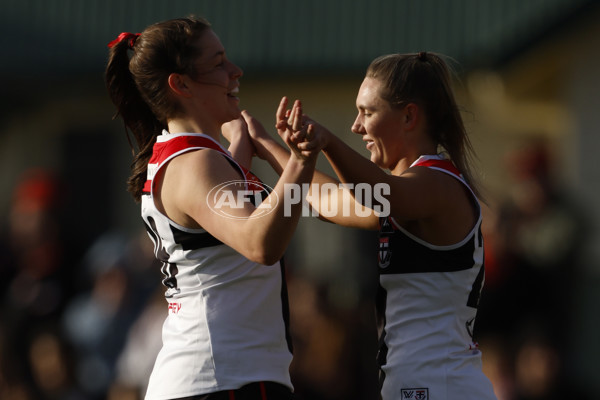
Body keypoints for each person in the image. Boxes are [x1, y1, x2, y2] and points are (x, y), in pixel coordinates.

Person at [244, 52, 496, 400]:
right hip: (423, 385)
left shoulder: (437, 185)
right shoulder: (408, 193)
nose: (356, 126)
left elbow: (376, 193)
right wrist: (272, 147)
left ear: (409, 116)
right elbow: (326, 199)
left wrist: (327, 142)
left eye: (367, 112)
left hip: (440, 386)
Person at [105, 16, 322, 400]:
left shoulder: (192, 156)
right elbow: (260, 244)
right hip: (223, 379)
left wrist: (243, 142)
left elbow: (225, 200)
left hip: (216, 376)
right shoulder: (195, 163)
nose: (235, 71)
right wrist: (300, 163)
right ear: (181, 83)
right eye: (219, 62)